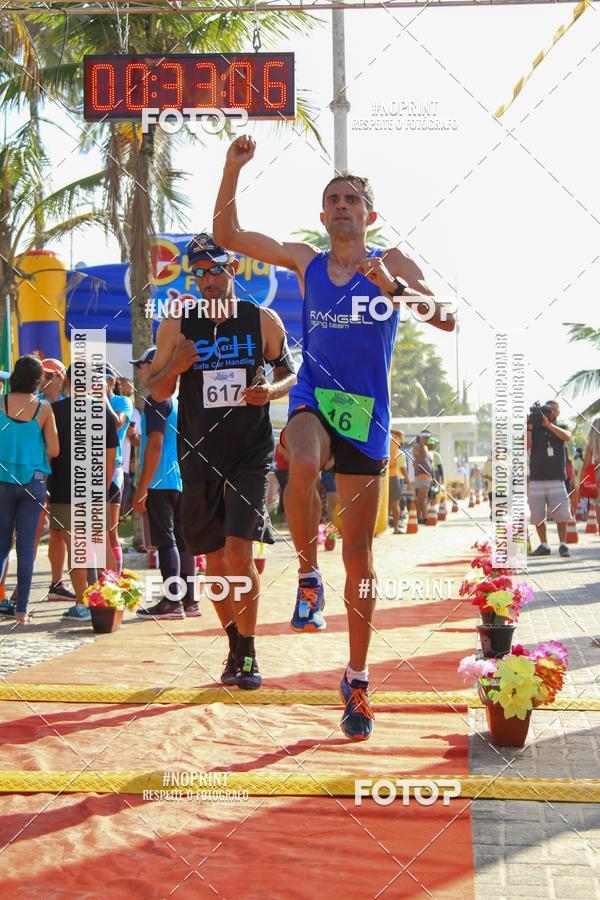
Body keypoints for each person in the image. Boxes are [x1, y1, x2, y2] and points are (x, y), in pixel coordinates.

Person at [213, 135, 455, 737]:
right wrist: (232, 168)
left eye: (352, 200)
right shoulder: (306, 261)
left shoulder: (393, 262)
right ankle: (306, 576)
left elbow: (446, 319)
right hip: (314, 397)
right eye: (333, 200)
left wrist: (391, 287)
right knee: (300, 459)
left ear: (369, 215)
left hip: (366, 416)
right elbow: (228, 235)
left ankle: (357, 678)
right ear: (323, 216)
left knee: (361, 557)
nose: (342, 206)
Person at [148, 232, 297, 689]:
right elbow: (157, 390)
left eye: (216, 270)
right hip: (198, 455)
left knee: (238, 553)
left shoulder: (261, 319)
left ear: (232, 269)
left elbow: (289, 372)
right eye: (200, 273)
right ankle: (234, 643)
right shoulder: (177, 324)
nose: (209, 280)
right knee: (213, 563)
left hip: (250, 454)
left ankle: (248, 653)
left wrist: (269, 391)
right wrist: (176, 366)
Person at [45, 366, 119, 620]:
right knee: (102, 545)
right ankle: (112, 600)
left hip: (65, 489)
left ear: (66, 380)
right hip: (96, 489)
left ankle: (82, 604)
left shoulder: (55, 411)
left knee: (76, 547)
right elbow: (110, 457)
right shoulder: (104, 412)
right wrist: (104, 488)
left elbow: (49, 454)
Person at [133, 347, 199, 620]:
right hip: (179, 478)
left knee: (166, 540)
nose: (140, 371)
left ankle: (172, 602)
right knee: (182, 540)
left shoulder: (156, 399)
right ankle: (190, 600)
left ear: (155, 366)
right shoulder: (176, 400)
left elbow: (155, 444)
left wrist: (142, 487)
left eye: (142, 365)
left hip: (159, 479)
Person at [0, 356, 59, 624]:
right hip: (33, 481)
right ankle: (21, 609)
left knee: (2, 546)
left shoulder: (1, 403)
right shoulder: (44, 408)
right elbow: (54, 449)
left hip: (3, 479)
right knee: (25, 547)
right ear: (37, 379)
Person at [527, 400, 572, 557]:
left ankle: (563, 545)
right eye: (548, 409)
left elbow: (567, 437)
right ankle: (544, 545)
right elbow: (526, 446)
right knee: (537, 515)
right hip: (536, 478)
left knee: (561, 514)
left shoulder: (561, 426)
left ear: (558, 412)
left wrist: (548, 425)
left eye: (554, 409)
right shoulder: (534, 428)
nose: (551, 412)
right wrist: (529, 426)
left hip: (556, 478)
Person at [104, 363, 133, 572]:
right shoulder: (86, 402)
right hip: (88, 470)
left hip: (113, 470)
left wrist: (103, 397)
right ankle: (98, 578)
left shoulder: (122, 401)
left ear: (111, 381)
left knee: (110, 530)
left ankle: (115, 578)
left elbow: (116, 424)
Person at [116, 376, 141, 518]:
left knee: (117, 512)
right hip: (102, 466)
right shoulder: (106, 405)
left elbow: (139, 441)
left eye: (129, 389)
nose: (127, 390)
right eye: (124, 387)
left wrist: (131, 435)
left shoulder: (134, 412)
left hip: (123, 468)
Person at [411, 432, 434, 524]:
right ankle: (423, 517)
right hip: (420, 475)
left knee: (422, 498)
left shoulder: (424, 447)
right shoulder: (418, 447)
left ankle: (422, 517)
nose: (427, 440)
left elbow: (423, 458)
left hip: (424, 475)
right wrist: (421, 444)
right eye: (425, 438)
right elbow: (422, 456)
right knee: (420, 498)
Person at [388, 429, 409, 533]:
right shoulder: (389, 440)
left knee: (393, 504)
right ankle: (394, 528)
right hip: (387, 476)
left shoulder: (392, 440)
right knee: (393, 504)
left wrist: (388, 428)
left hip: (389, 476)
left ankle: (394, 527)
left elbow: (401, 434)